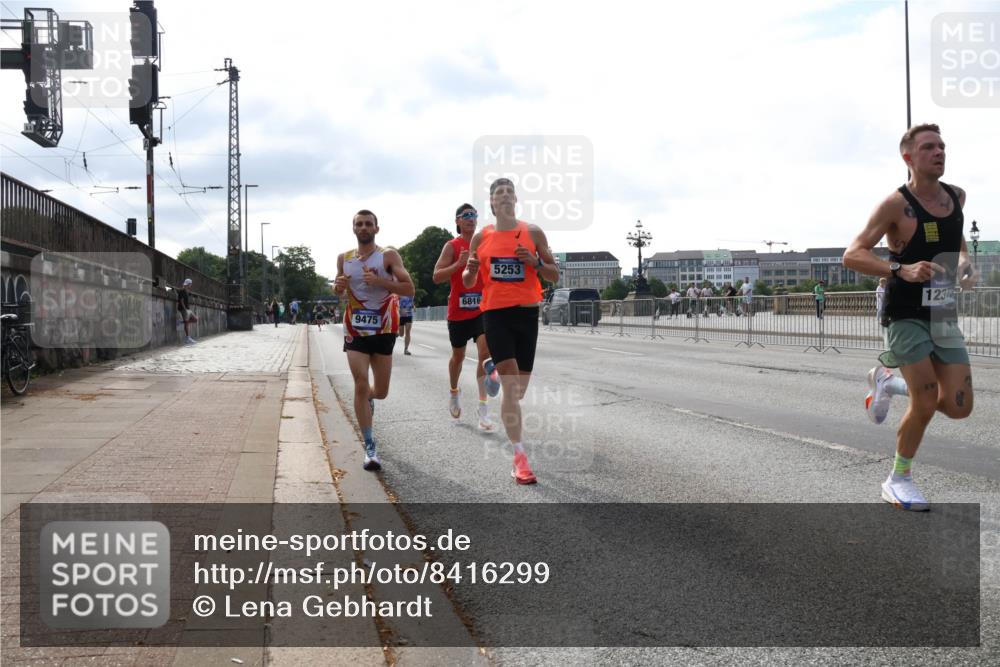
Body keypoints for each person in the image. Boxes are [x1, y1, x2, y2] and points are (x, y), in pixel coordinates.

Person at [843, 123, 978, 511]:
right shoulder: (894, 205)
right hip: (904, 313)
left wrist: (965, 262)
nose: (939, 152)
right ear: (908, 158)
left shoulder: (957, 197)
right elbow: (853, 254)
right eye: (928, 147)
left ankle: (886, 382)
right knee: (924, 401)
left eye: (942, 146)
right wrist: (900, 269)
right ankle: (898, 478)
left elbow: (957, 240)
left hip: (942, 313)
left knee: (957, 404)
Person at [463, 179, 560, 484]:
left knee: (517, 392)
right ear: (492, 204)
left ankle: (491, 372)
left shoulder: (532, 232)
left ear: (516, 199)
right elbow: (467, 280)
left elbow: (553, 274)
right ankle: (520, 459)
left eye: (508, 192)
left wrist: (534, 262)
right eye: (497, 194)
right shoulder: (481, 237)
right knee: (510, 385)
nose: (504, 197)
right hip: (495, 314)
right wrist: (472, 269)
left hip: (528, 314)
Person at [334, 209, 415, 472]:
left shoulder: (388, 256)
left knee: (380, 391)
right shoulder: (344, 259)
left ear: (376, 229)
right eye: (359, 223)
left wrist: (379, 280)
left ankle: (369, 399)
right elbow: (341, 294)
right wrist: (338, 288)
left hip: (384, 328)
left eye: (369, 223)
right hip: (355, 329)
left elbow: (408, 289)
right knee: (359, 383)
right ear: (353, 228)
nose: (364, 227)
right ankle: (370, 447)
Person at [432, 203, 498, 431]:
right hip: (458, 312)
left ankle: (483, 409)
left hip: (482, 309)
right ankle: (453, 392)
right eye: (466, 216)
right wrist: (457, 265)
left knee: (484, 354)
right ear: (458, 221)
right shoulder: (452, 246)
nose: (471, 219)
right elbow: (436, 276)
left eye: (474, 215)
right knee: (458, 357)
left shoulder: (484, 242)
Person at [177, 278, 197, 344]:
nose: (191, 285)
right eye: (190, 284)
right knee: (186, 323)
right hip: (184, 309)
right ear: (188, 284)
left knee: (195, 319)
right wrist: (185, 309)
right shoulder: (182, 290)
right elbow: (181, 301)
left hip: (188, 309)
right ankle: (188, 338)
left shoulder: (186, 291)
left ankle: (181, 322)